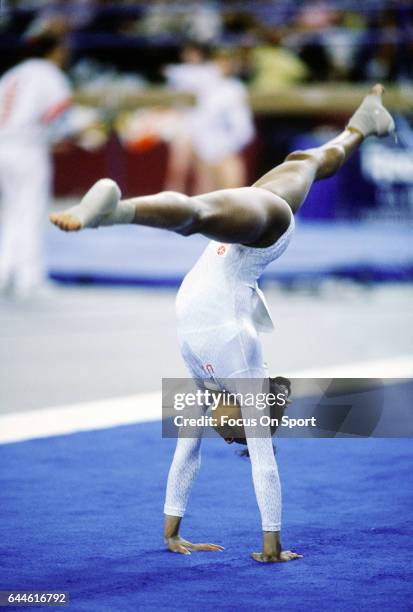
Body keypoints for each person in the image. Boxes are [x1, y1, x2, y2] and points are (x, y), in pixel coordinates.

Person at [50, 85, 394, 563]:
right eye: (236, 435)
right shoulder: (245, 367)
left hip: (246, 223)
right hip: (260, 235)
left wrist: (172, 532)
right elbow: (266, 467)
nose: (223, 433)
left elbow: (184, 455)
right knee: (196, 214)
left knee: (306, 161)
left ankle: (361, 124)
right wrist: (271, 546)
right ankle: (116, 212)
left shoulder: (205, 384)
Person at [0, 29, 72, 298]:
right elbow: (58, 113)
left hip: (3, 144)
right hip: (27, 147)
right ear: (54, 50)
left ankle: (5, 271)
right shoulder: (49, 75)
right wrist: (64, 136)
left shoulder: (13, 74)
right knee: (30, 209)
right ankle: (30, 278)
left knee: (11, 210)